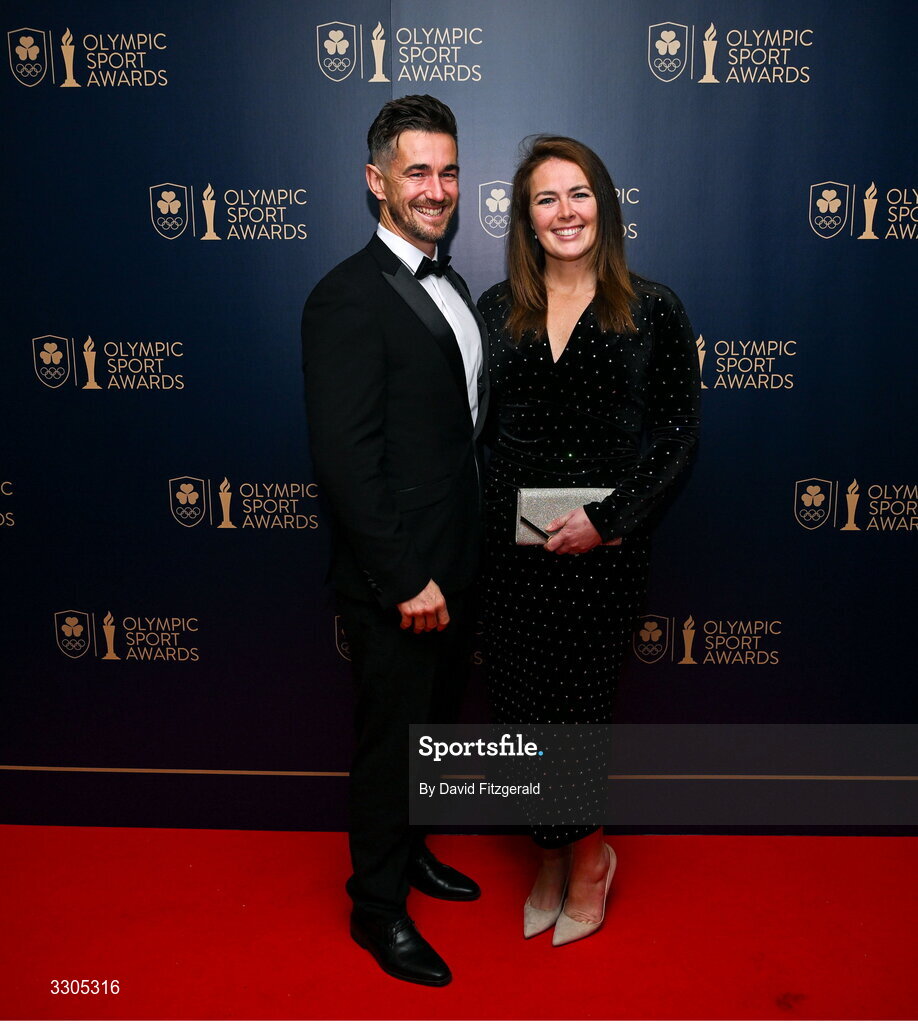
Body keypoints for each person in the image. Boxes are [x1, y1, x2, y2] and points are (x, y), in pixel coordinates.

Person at [478, 136, 700, 945]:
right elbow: (474, 435)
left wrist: (609, 520)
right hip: (510, 555)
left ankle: (589, 861)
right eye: (546, 198)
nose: (564, 212)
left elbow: (678, 437)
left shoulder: (653, 308)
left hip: (602, 554)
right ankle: (545, 856)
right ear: (526, 219)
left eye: (578, 194)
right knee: (519, 710)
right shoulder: (494, 310)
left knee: (575, 715)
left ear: (603, 204)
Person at [301, 95, 489, 986]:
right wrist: (408, 577)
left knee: (435, 735)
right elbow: (346, 460)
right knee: (391, 744)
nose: (437, 188)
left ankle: (410, 856)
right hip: (401, 582)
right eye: (417, 171)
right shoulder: (344, 297)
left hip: (458, 566)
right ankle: (376, 910)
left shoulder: (455, 286)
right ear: (376, 180)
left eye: (449, 171)